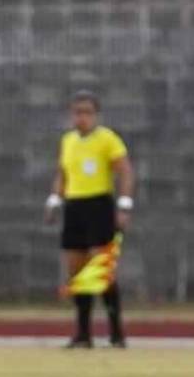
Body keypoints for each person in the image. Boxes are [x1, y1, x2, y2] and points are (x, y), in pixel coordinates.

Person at [44, 92, 135, 348]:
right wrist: (54, 199)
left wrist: (124, 204)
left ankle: (117, 332)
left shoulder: (107, 140)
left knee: (101, 269)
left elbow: (125, 170)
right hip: (75, 206)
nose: (81, 118)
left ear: (95, 115)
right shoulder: (68, 140)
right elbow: (63, 174)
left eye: (86, 112)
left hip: (99, 205)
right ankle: (83, 334)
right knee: (76, 270)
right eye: (77, 112)